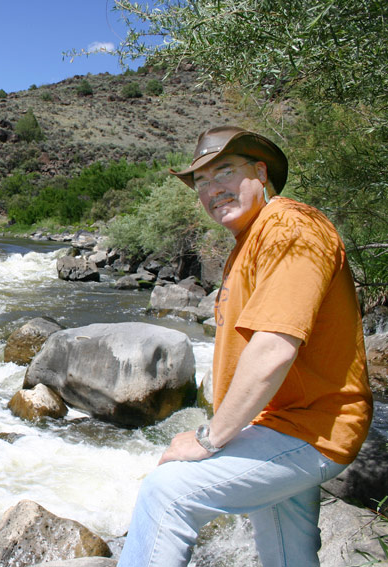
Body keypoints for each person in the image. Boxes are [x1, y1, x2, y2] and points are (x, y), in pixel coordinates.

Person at [117, 126, 373, 567]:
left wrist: (210, 437)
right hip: (275, 426)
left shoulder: (292, 228)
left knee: (168, 493)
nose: (213, 189)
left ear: (261, 171)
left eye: (226, 172)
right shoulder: (250, 240)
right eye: (202, 182)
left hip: (312, 430)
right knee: (287, 554)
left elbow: (273, 347)